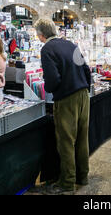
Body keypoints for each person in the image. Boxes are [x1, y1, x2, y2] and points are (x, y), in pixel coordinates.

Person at [33, 18, 91, 195]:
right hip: (83, 95)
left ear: (41, 35)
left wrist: (51, 90)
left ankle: (67, 182)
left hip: (66, 98)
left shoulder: (47, 49)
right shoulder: (70, 45)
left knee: (66, 141)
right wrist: (85, 86)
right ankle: (83, 176)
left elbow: (52, 79)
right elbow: (86, 69)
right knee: (82, 137)